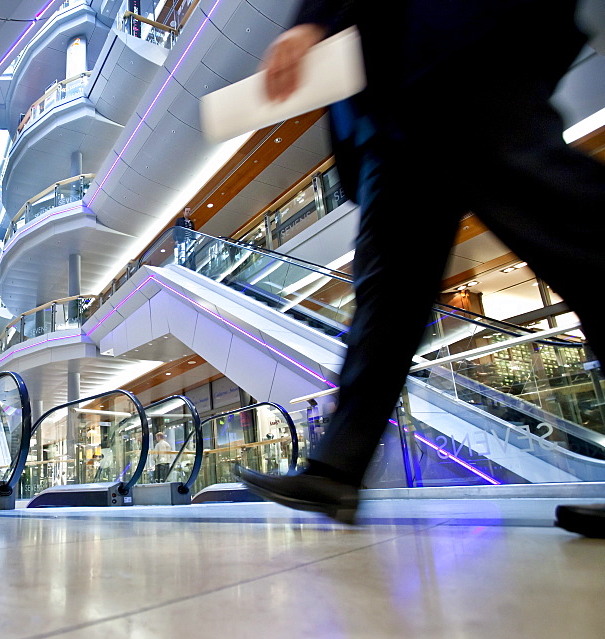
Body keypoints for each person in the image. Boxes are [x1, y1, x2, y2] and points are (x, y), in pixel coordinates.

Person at [236, 0, 605, 531]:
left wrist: (313, 19)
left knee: (567, 225)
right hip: (397, 96)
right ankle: (336, 467)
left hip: (461, 49)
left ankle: (337, 467)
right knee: (387, 291)